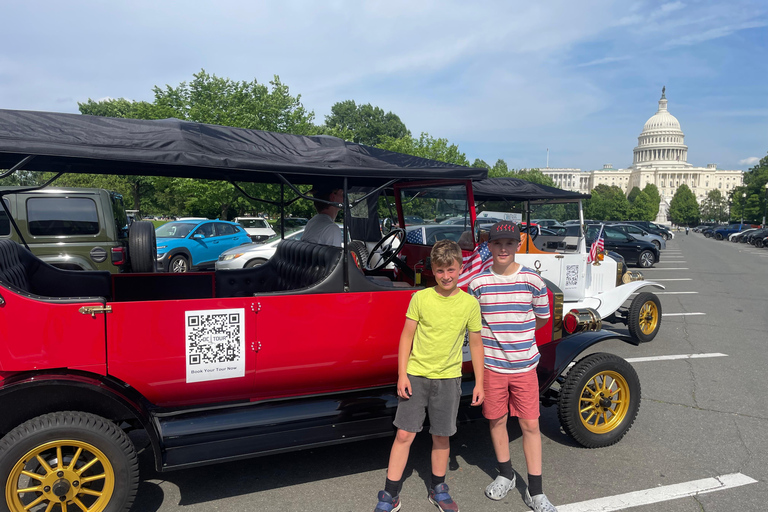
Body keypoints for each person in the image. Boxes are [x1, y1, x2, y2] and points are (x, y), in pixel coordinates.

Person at [373, 239, 485, 512]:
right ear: (432, 271)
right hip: (417, 376)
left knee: (442, 436)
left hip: (449, 379)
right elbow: (406, 338)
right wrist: (402, 374)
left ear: (460, 268)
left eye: (451, 270)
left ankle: (438, 488)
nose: (446, 276)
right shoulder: (420, 298)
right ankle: (390, 494)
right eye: (440, 271)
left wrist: (480, 382)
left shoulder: (470, 304)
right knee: (404, 435)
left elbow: (477, 344)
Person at [467, 221, 558, 512]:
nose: (503, 248)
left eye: (508, 243)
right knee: (496, 421)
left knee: (530, 424)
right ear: (489, 246)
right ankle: (505, 473)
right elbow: (475, 327)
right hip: (493, 367)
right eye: (497, 243)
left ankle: (536, 490)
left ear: (518, 245)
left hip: (524, 366)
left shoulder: (533, 280)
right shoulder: (477, 283)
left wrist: (519, 337)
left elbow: (542, 318)